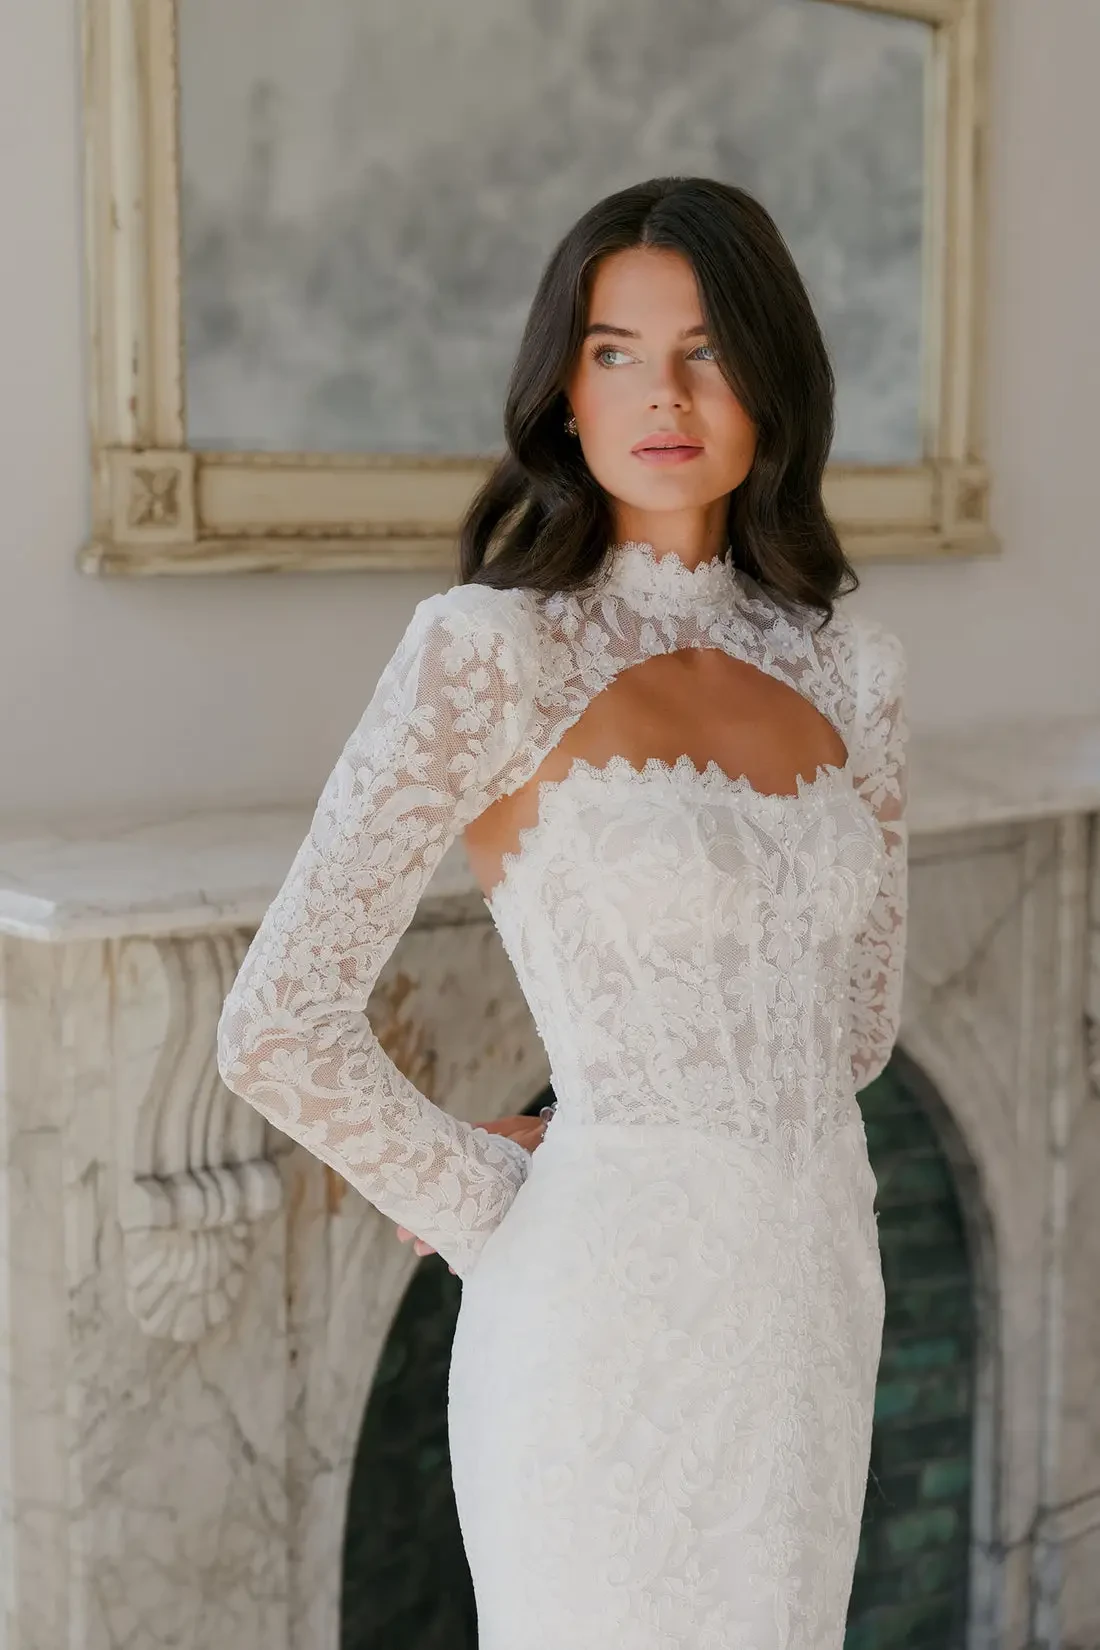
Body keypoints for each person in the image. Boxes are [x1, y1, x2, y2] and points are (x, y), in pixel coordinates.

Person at [216, 174, 907, 1649]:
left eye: (707, 346)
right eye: (614, 349)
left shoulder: (853, 669)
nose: (663, 391)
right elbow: (275, 1025)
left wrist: (674, 1113)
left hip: (813, 1304)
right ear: (564, 389)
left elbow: (854, 1026)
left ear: (775, 371)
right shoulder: (491, 653)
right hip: (600, 1324)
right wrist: (499, 1192)